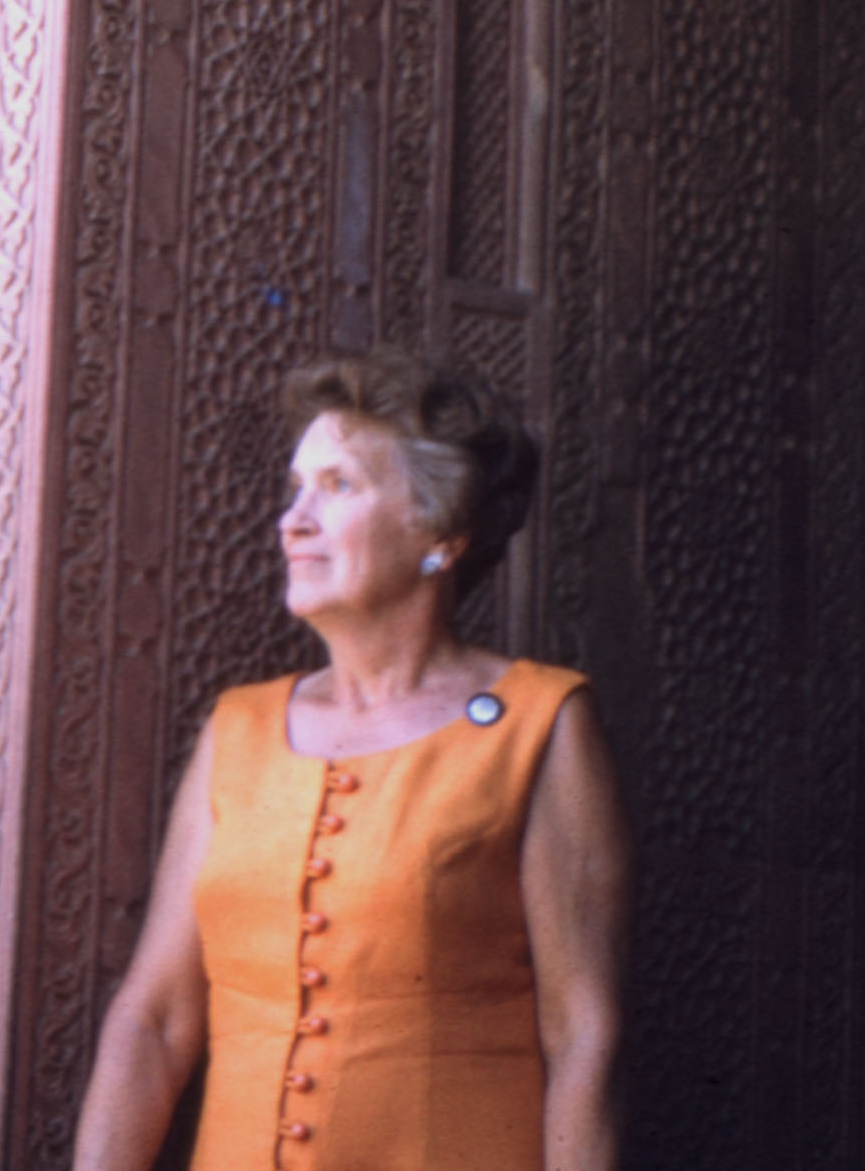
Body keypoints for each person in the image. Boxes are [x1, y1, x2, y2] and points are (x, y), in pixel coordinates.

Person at [72, 349, 631, 1171]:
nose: (292, 520)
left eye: (337, 487)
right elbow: (153, 1020)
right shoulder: (240, 728)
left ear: (441, 533)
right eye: (296, 489)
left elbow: (585, 1037)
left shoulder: (539, 724)